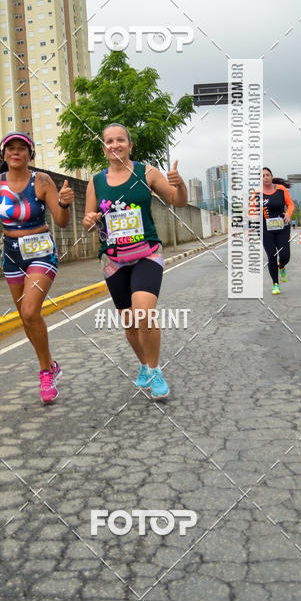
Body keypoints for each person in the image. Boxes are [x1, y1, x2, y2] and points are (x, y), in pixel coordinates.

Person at [0, 132, 74, 403]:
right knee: (25, 318)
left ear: (30, 154)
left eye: (22, 148)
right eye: (11, 148)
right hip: (12, 255)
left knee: (30, 311)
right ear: (3, 154)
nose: (16, 152)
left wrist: (64, 203)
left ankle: (45, 372)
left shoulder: (42, 181)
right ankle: (51, 364)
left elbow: (62, 221)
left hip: (41, 253)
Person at [82, 123, 187, 400]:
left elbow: (177, 201)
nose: (114, 145)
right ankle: (143, 364)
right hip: (113, 260)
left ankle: (155, 370)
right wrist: (90, 220)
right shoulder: (96, 182)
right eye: (109, 141)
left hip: (146, 253)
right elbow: (87, 223)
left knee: (144, 313)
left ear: (130, 145)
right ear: (104, 148)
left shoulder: (147, 173)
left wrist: (180, 184)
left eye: (120, 140)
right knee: (130, 324)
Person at [253, 167, 294, 295]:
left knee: (285, 256)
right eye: (262, 176)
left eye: (267, 175)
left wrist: (288, 214)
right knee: (272, 256)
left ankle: (282, 266)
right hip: (265, 229)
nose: (265, 177)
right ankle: (275, 284)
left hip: (282, 227)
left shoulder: (281, 189)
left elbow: (291, 204)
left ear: (271, 176)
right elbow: (252, 210)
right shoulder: (256, 194)